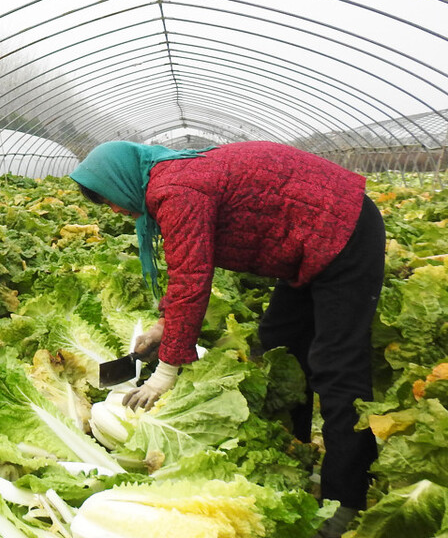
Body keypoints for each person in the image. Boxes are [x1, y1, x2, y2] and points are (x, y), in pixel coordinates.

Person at [69, 140, 384, 538]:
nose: (114, 209)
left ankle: (347, 499)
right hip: (305, 240)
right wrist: (165, 325)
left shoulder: (177, 190)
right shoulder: (170, 179)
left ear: (122, 179)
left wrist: (166, 372)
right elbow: (190, 260)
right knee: (278, 347)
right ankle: (296, 450)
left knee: (337, 367)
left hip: (342, 231)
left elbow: (192, 280)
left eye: (109, 198)